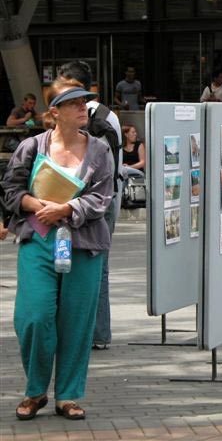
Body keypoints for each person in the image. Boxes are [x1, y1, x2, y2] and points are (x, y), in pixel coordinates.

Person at [1, 79, 113, 421]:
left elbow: (102, 197)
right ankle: (36, 390)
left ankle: (68, 395)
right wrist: (37, 205)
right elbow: (11, 189)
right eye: (74, 102)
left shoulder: (99, 150)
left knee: (77, 321)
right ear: (55, 111)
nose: (83, 107)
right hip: (39, 238)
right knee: (33, 317)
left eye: (84, 101)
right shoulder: (32, 146)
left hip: (84, 243)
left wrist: (66, 209)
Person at [58, 60, 123, 350]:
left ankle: (87, 332)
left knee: (80, 265)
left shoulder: (86, 119)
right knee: (94, 266)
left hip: (85, 203)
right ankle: (96, 333)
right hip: (104, 201)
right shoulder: (110, 116)